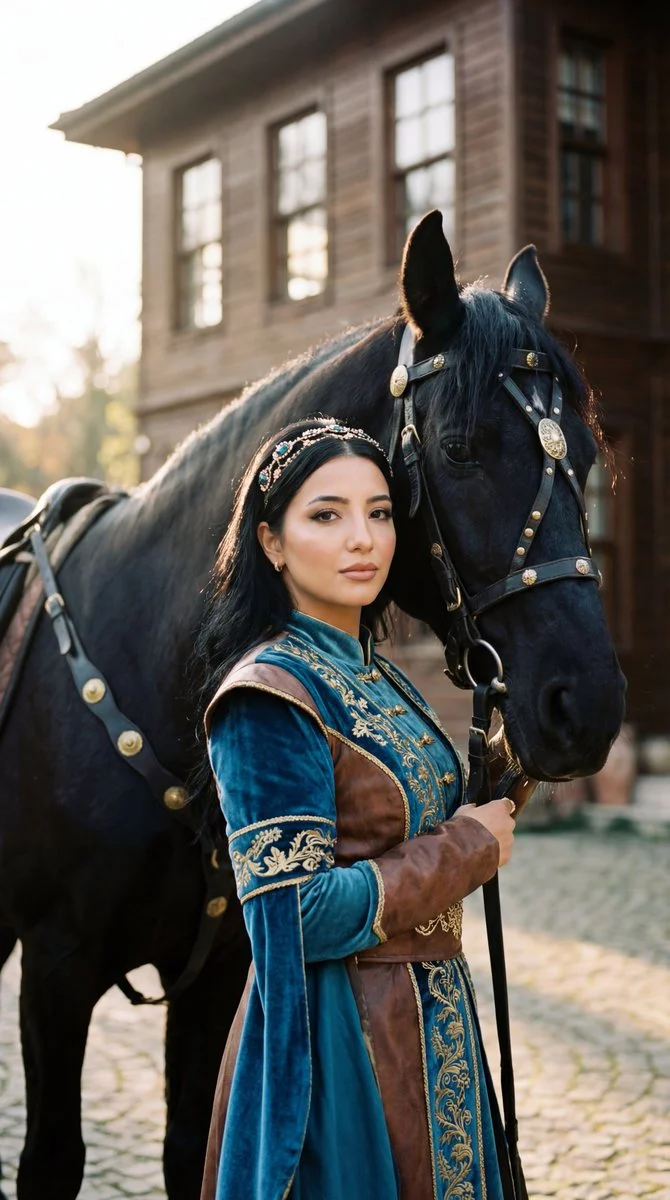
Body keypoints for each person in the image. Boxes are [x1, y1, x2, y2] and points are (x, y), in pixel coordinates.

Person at [196, 416, 522, 1200]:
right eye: (326, 514)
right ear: (272, 543)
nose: (362, 539)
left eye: (379, 513)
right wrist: (467, 848)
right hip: (339, 1044)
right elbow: (295, 914)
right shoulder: (268, 697)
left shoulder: (381, 675)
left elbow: (420, 824)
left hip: (434, 1019)